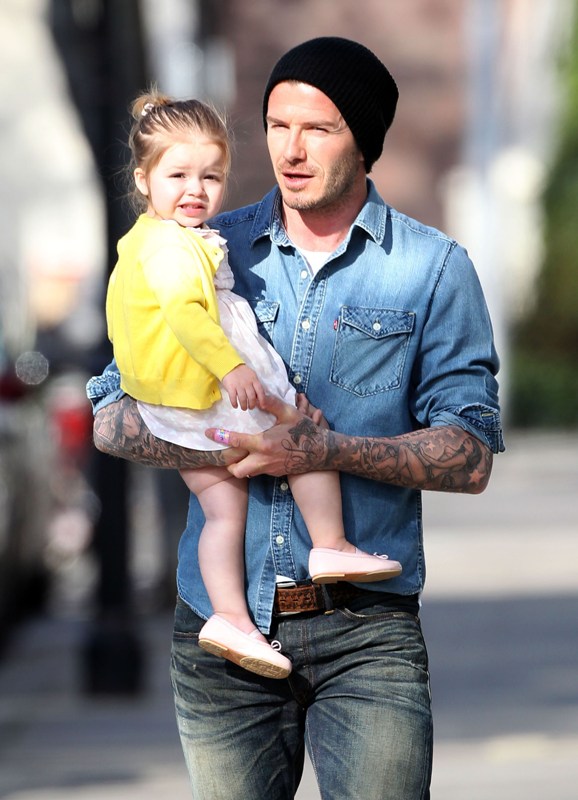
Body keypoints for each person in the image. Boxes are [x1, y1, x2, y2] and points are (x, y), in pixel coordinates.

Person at [88, 37, 504, 800]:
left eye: (318, 128)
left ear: (364, 141)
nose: (291, 149)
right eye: (278, 126)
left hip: (367, 636)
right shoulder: (205, 248)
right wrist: (222, 447)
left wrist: (322, 449)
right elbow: (111, 415)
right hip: (220, 635)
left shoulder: (432, 269)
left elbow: (471, 453)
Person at [105, 90, 402, 680]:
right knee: (298, 429)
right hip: (201, 390)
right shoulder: (169, 248)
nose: (196, 190)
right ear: (143, 179)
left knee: (222, 512)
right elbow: (186, 313)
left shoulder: (145, 240)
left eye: (211, 176)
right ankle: (331, 543)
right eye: (178, 176)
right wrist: (231, 367)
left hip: (170, 401)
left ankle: (231, 619)